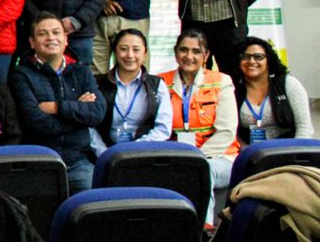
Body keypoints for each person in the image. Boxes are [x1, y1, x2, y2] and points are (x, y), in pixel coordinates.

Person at [9, 12, 104, 194]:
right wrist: (78, 112)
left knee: (95, 207)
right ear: (32, 42)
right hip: (39, 164)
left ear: (66, 39)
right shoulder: (21, 76)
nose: (50, 38)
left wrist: (57, 107)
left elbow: (97, 113)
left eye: (56, 32)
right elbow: (35, 122)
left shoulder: (81, 72)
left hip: (78, 163)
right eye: (43, 33)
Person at [160, 29, 239, 225]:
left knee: (204, 170)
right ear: (176, 52)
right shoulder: (160, 81)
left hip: (220, 157)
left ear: (206, 56)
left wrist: (194, 159)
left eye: (196, 51)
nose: (189, 56)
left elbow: (227, 132)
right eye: (183, 50)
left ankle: (205, 230)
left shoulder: (221, 81)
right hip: (175, 157)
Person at [90, 29, 172, 157]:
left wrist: (135, 151)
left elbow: (163, 128)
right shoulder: (97, 83)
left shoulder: (157, 85)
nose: (130, 55)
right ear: (115, 52)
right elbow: (89, 126)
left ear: (145, 54)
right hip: (104, 156)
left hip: (145, 154)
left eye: (136, 49)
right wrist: (104, 154)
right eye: (123, 49)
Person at [235, 37, 313, 144]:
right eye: (245, 57)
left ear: (269, 60)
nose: (251, 61)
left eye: (258, 57)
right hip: (249, 153)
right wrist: (244, 155)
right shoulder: (233, 89)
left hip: (288, 151)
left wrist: (295, 153)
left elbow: (304, 127)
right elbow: (232, 132)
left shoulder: (288, 84)